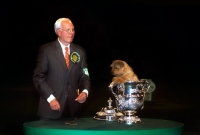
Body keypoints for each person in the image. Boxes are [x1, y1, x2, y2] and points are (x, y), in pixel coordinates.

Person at [33, 18, 90, 120]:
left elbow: (84, 75)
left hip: (73, 110)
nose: (71, 33)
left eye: (73, 30)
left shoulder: (80, 51)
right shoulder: (46, 50)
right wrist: (51, 98)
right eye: (68, 30)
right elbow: (38, 77)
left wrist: (85, 91)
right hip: (51, 109)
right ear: (58, 32)